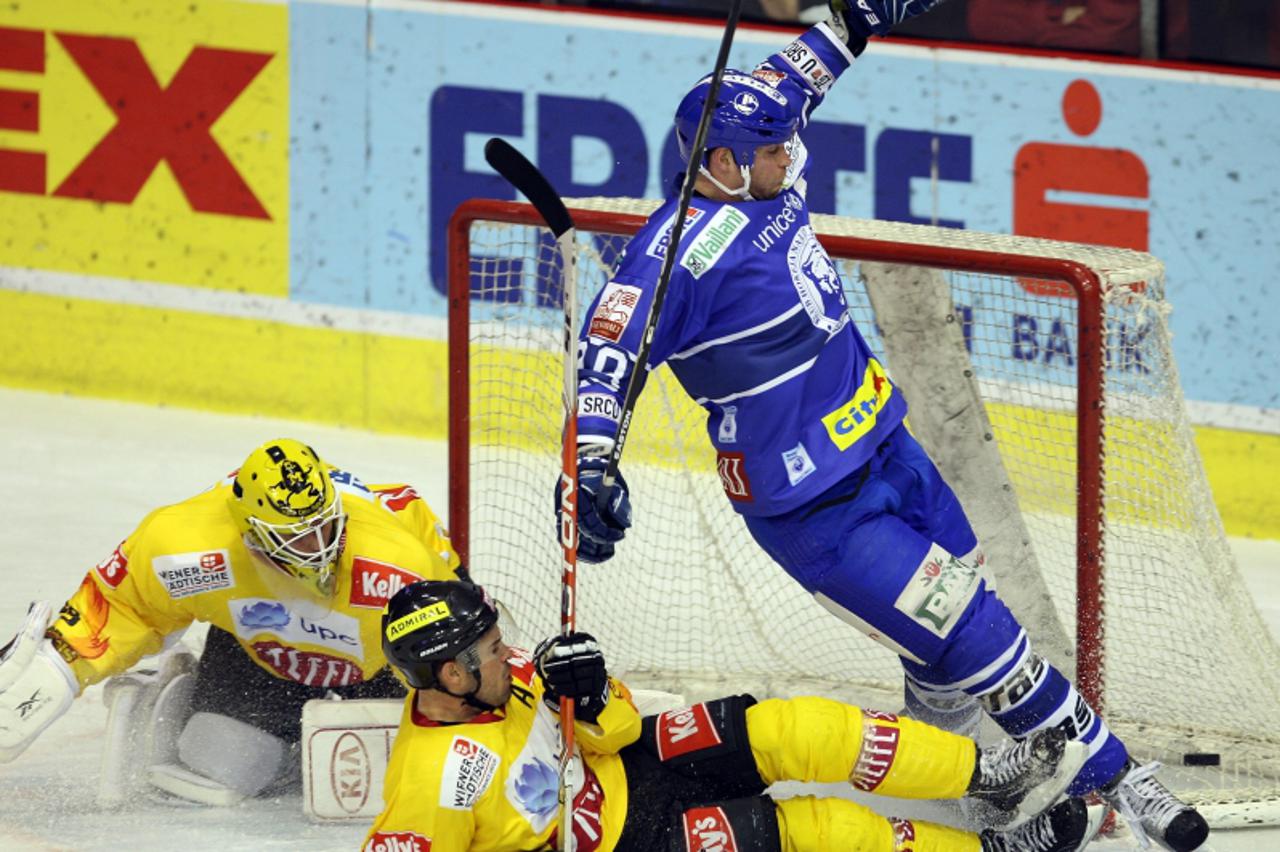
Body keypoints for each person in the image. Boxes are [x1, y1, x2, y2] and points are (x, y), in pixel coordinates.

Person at [557, 1, 1210, 849]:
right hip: (819, 512)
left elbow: (809, 64)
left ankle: (958, 776)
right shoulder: (672, 258)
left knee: (947, 644)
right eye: (767, 151)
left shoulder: (762, 160)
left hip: (891, 449)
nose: (789, 156)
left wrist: (857, 11)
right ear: (719, 163)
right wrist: (597, 461)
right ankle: (1123, 776)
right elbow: (606, 357)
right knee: (986, 637)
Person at [366, 578, 1103, 852]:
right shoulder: (435, 782)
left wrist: (592, 694)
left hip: (631, 761)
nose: (509, 653)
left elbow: (615, 728)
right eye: (491, 649)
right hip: (628, 845)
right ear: (451, 674)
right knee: (822, 834)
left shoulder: (507, 678)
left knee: (803, 729)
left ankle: (988, 776)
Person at [0, 437, 463, 804]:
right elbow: (125, 607)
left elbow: (457, 639)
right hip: (260, 658)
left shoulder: (399, 557)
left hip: (381, 668)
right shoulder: (185, 544)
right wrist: (58, 668)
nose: (319, 547)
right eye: (297, 536)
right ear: (251, 531)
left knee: (398, 778)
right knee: (221, 762)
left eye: (325, 526)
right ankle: (179, 695)